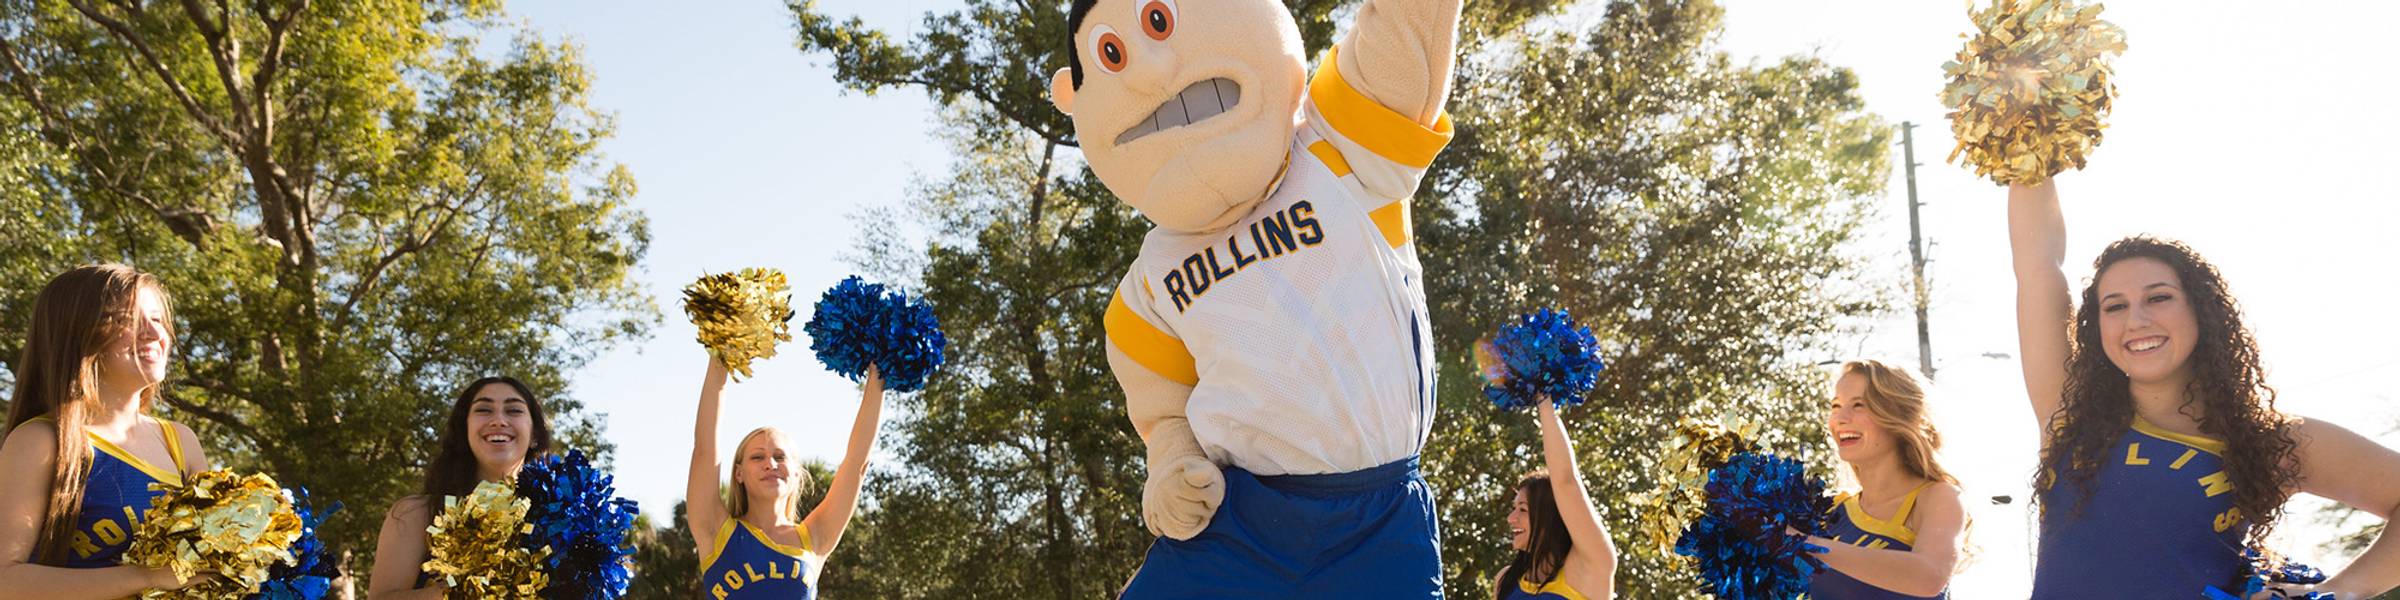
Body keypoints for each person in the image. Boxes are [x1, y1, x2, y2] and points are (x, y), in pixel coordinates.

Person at [2008, 182, 2400, 596]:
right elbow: (2037, 263)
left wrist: (2341, 591)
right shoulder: (2069, 411)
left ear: (2202, 310)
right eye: (2115, 306)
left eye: (2158, 298)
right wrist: (2032, 157)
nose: (2136, 320)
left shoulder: (2268, 440)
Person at [0, 264, 216, 599]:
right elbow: (6, 580)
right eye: (128, 320)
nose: (153, 333)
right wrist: (146, 577)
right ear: (76, 333)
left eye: (157, 319)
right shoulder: (40, 441)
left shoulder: (179, 441)